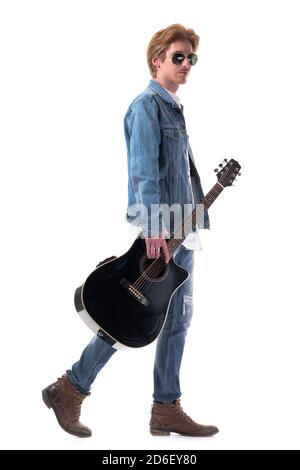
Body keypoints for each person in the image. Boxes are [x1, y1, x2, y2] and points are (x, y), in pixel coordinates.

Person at [42, 23, 219, 438]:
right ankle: (71, 387)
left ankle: (165, 408)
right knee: (131, 318)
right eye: (178, 56)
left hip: (184, 232)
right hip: (163, 234)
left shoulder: (173, 106)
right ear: (156, 59)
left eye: (191, 58)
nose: (186, 64)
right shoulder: (146, 106)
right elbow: (143, 173)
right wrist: (155, 228)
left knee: (175, 322)